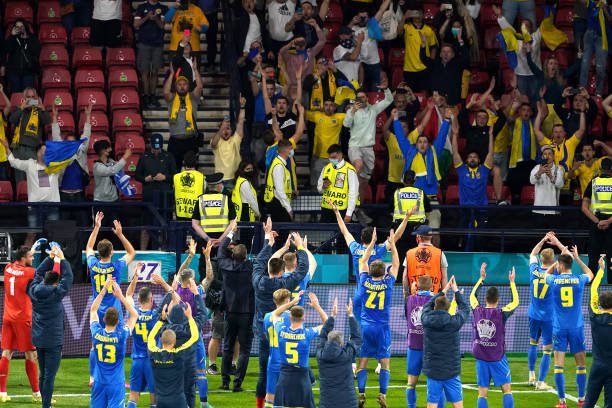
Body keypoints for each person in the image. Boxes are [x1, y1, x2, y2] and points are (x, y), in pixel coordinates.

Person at [252, 221, 310, 408]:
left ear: (269, 270)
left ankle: (262, 405)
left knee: (264, 372)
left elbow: (259, 262)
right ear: (282, 271)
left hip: (262, 331)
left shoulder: (258, 281)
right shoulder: (285, 283)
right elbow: (302, 270)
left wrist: (269, 242)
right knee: (284, 370)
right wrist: (300, 247)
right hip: (280, 333)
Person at [85, 211, 136, 386]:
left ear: (99, 253)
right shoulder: (116, 266)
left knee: (95, 343)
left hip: (97, 308)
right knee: (118, 342)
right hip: (114, 309)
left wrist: (96, 227)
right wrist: (120, 234)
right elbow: (131, 252)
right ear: (112, 252)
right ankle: (119, 379)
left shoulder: (93, 264)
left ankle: (92, 377)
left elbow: (88, 247)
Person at [543, 246, 595, 408]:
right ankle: (581, 399)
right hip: (576, 327)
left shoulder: (554, 280)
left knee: (559, 365)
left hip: (559, 328)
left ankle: (562, 401)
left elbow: (545, 275)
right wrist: (577, 258)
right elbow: (591, 274)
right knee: (581, 365)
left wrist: (556, 261)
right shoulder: (579, 280)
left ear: (560, 265)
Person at [355, 227, 399, 408]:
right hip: (382, 328)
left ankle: (361, 393)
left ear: (370, 271)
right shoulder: (388, 283)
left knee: (363, 361)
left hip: (366, 327)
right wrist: (393, 244)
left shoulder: (364, 281)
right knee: (385, 363)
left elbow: (363, 260)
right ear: (384, 272)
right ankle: (382, 394)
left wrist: (372, 243)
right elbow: (396, 264)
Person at [28, 246, 73, 408]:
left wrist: (49, 258)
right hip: (53, 341)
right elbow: (68, 277)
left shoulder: (34, 290)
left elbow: (37, 273)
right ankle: (46, 406)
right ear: (55, 283)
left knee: (43, 374)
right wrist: (62, 259)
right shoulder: (56, 293)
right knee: (49, 376)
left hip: (39, 339)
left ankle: (45, 404)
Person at [470, 263, 519, 408]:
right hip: (497, 358)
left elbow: (472, 296)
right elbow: (515, 302)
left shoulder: (476, 310)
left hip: (481, 358)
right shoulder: (501, 313)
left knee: (482, 393)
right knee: (506, 390)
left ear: (486, 298)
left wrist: (481, 278)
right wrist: (512, 282)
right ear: (498, 300)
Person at [421, 276, 470, 408]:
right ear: (448, 308)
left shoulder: (426, 319)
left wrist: (444, 290)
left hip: (433, 371)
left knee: (432, 404)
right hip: (451, 372)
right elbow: (465, 309)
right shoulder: (454, 322)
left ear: (435, 307)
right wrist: (456, 291)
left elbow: (427, 305)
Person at [0, 246, 41, 403]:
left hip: (8, 317)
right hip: (23, 318)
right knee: (31, 354)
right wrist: (54, 258)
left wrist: (31, 250)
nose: (33, 258)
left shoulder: (8, 268)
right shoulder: (29, 272)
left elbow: (19, 266)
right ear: (23, 258)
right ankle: (36, 393)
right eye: (31, 256)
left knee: (6, 353)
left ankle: (2, 392)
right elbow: (44, 272)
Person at [272, 292, 327, 408]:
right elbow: (328, 323)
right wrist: (317, 306)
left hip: (285, 375)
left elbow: (275, 314)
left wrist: (292, 302)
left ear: (289, 317)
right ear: (303, 318)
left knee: (280, 405)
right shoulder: (307, 333)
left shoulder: (281, 331)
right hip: (302, 377)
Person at [1, 138, 60, 246]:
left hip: (52, 207)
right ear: (37, 153)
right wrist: (6, 147)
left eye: (46, 152)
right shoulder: (30, 164)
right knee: (31, 234)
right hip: (34, 207)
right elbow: (14, 162)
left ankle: (52, 256)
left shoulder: (55, 166)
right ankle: (24, 257)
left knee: (53, 235)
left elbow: (68, 159)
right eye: (42, 151)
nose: (44, 153)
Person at [217, 222, 254, 392]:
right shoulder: (251, 268)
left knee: (227, 346)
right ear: (245, 257)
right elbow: (264, 258)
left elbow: (221, 249)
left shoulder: (226, 266)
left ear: (233, 255)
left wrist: (231, 232)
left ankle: (225, 382)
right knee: (244, 349)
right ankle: (237, 384)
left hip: (230, 312)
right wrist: (268, 240)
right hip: (246, 313)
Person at [89, 278, 138, 408]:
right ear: (118, 322)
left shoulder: (96, 333)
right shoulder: (121, 335)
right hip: (116, 383)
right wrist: (120, 296)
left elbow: (93, 310)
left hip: (99, 382)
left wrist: (104, 290)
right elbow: (134, 315)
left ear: (104, 319)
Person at [343, 77, 393, 199]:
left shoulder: (373, 109)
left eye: (363, 97)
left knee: (364, 182)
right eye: (358, 98)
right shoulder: (351, 110)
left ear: (367, 98)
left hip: (369, 149)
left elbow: (389, 100)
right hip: (355, 147)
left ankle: (358, 205)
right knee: (358, 164)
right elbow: (346, 125)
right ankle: (348, 192)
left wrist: (386, 89)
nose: (360, 100)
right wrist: (353, 111)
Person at [526, 232, 564, 389]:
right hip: (549, 317)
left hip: (533, 314)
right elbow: (567, 255)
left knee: (533, 343)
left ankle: (531, 376)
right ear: (553, 260)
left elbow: (533, 253)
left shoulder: (534, 270)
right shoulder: (555, 272)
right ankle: (540, 382)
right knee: (547, 350)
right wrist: (556, 241)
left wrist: (543, 239)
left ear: (541, 260)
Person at [451, 116, 494, 251]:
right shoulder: (462, 169)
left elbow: (491, 153)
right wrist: (455, 135)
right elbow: (455, 152)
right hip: (465, 210)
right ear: (466, 160)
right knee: (463, 238)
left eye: (475, 157)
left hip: (481, 209)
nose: (472, 158)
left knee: (480, 238)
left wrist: (491, 136)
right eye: (470, 157)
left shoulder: (484, 170)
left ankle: (480, 258)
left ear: (479, 160)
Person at [147, 302, 200, 408]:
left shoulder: (153, 353)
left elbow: (151, 337)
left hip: (160, 401)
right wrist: (190, 317)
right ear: (174, 342)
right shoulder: (179, 354)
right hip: (178, 401)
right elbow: (194, 337)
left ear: (161, 340)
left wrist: (161, 320)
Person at [534, 102, 585, 204]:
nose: (558, 134)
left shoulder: (570, 143)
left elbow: (582, 129)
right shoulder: (547, 144)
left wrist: (582, 112)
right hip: (550, 187)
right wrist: (539, 113)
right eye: (556, 132)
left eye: (560, 132)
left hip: (566, 186)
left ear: (564, 133)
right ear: (552, 133)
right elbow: (536, 130)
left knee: (566, 212)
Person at [317, 297, 361, 408]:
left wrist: (333, 315)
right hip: (348, 403)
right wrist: (350, 315)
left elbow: (323, 334)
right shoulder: (347, 355)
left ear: (328, 341)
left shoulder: (320, 355)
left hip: (326, 404)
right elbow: (356, 337)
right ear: (341, 343)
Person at [190, 172, 236, 279]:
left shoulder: (200, 200)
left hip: (206, 241)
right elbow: (233, 223)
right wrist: (220, 239)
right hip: (224, 241)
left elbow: (195, 224)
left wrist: (208, 239)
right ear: (219, 186)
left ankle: (205, 288)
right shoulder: (226, 199)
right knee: (225, 267)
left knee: (205, 266)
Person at [404, 275, 441, 408]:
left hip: (413, 346)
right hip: (431, 347)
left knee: (411, 383)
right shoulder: (436, 300)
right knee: (435, 382)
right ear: (432, 286)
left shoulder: (409, 299)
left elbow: (407, 315)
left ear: (417, 286)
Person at [136, 133, 178, 247]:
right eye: (154, 148)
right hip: (149, 197)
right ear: (151, 145)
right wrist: (145, 179)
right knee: (146, 225)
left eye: (158, 148)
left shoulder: (169, 156)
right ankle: (142, 251)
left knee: (165, 224)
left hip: (165, 198)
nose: (156, 150)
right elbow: (137, 175)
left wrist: (165, 177)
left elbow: (175, 176)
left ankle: (166, 249)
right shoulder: (144, 157)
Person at [54, 104, 91, 226]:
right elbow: (56, 136)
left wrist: (88, 116)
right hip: (64, 195)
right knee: (63, 226)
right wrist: (54, 117)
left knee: (83, 225)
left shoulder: (81, 151)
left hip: (79, 195)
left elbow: (86, 135)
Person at [124, 274, 158, 408]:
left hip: (137, 361)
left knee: (133, 396)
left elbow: (128, 294)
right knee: (154, 397)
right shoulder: (155, 315)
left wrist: (136, 275)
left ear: (138, 299)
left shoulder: (133, 314)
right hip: (152, 361)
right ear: (151, 299)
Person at [164, 63, 204, 169]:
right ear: (176, 86)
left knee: (193, 170)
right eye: (179, 84)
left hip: (190, 140)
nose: (182, 86)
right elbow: (166, 92)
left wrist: (195, 70)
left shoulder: (193, 97)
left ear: (188, 86)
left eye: (184, 84)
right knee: (172, 170)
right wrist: (172, 74)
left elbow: (200, 87)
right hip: (175, 141)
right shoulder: (172, 98)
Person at [347, 0, 392, 91]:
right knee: (362, 90)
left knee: (375, 90)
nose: (363, 19)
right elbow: (344, 35)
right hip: (360, 64)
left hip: (374, 64)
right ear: (357, 17)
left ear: (368, 18)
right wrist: (352, 22)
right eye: (360, 17)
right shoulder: (353, 28)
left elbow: (381, 10)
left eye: (365, 17)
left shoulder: (371, 26)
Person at [584, 256, 610, 408]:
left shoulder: (595, 315)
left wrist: (601, 270)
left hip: (598, 366)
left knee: (589, 402)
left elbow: (593, 289)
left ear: (600, 304)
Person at [8, 87, 50, 182]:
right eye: (28, 97)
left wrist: (43, 109)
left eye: (33, 97)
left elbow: (47, 121)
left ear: (36, 98)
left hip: (33, 150)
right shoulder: (20, 109)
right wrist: (22, 108)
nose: (31, 99)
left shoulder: (39, 111)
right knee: (20, 181)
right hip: (18, 150)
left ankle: (43, 191)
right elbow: (12, 119)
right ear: (24, 98)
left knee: (37, 180)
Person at [581, 157, 612, 282]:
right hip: (611, 223)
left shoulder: (593, 183)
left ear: (600, 168)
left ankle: (590, 286)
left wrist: (598, 221)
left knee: (593, 257)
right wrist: (608, 221)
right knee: (611, 257)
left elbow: (584, 208)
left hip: (596, 223)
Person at [134, 0, 168, 108]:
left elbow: (162, 26)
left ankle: (153, 96)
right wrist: (147, 17)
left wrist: (156, 18)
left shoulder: (163, 8)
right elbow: (136, 24)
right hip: (144, 43)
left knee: (154, 72)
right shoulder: (141, 7)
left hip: (157, 44)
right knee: (144, 71)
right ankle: (146, 96)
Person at [262, 288, 292, 407]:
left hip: (273, 360)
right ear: (287, 301)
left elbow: (266, 335)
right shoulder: (292, 317)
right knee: (286, 396)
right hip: (287, 361)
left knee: (270, 395)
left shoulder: (267, 317)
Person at [307, 99, 346, 187]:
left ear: (334, 107)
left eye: (331, 105)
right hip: (318, 156)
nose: (328, 107)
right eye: (326, 105)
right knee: (315, 185)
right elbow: (301, 112)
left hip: (334, 157)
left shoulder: (339, 117)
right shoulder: (317, 115)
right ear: (323, 106)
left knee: (335, 184)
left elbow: (354, 114)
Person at [397, 9, 438, 92]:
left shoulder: (428, 30)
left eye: (419, 13)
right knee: (409, 94)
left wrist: (431, 62)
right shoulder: (407, 27)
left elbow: (434, 47)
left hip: (424, 68)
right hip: (409, 68)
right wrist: (404, 17)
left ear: (423, 15)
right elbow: (399, 32)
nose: (417, 15)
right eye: (415, 13)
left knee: (423, 93)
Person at [317, 144, 359, 223]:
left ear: (340, 154)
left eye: (334, 157)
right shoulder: (326, 168)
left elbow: (353, 193)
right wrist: (323, 187)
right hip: (326, 209)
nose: (331, 160)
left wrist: (349, 213)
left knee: (340, 231)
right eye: (330, 158)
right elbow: (319, 189)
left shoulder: (349, 170)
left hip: (342, 210)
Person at [404, 225, 449, 294]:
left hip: (415, 296)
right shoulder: (440, 253)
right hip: (434, 297)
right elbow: (444, 277)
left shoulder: (409, 253)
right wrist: (444, 294)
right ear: (431, 237)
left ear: (419, 237)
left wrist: (406, 292)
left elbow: (405, 276)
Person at [212, 97, 245, 189]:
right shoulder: (216, 140)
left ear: (232, 131)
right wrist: (222, 128)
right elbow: (213, 144)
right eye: (223, 129)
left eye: (228, 128)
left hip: (233, 178)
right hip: (219, 180)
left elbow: (240, 122)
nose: (226, 131)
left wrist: (242, 107)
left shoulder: (235, 139)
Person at [579, 0, 610, 97]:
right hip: (589, 35)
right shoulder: (591, 2)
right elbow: (582, 1)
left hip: (601, 38)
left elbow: (610, 20)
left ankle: (598, 93)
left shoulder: (606, 6)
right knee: (584, 65)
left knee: (600, 68)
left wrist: (604, 9)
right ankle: (581, 91)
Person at [529, 145, 565, 227]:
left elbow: (560, 185)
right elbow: (532, 181)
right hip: (538, 210)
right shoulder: (537, 168)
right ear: (542, 157)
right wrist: (539, 173)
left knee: (552, 235)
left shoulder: (558, 169)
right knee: (539, 234)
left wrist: (551, 177)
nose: (547, 156)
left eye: (549, 154)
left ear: (553, 156)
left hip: (553, 211)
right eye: (545, 154)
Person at [4, 20, 40, 94]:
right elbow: (7, 49)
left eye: (21, 26)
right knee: (16, 95)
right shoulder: (13, 38)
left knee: (28, 95)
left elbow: (36, 51)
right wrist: (12, 36)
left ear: (25, 27)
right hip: (14, 72)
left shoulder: (32, 38)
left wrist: (26, 38)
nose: (19, 28)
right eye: (17, 27)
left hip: (29, 72)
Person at [263, 139, 295, 221]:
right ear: (285, 150)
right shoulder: (279, 167)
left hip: (280, 203)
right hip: (278, 205)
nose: (292, 151)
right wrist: (289, 208)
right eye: (291, 148)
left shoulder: (280, 164)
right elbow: (280, 190)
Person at [92, 140, 132, 204]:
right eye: (108, 148)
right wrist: (125, 157)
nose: (111, 149)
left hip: (114, 199)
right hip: (101, 200)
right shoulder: (97, 166)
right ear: (103, 151)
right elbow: (112, 171)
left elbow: (120, 171)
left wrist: (119, 165)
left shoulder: (111, 161)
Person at [174, 151, 205, 220]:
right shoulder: (202, 177)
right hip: (196, 215)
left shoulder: (176, 177)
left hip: (180, 214)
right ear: (196, 162)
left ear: (184, 162)